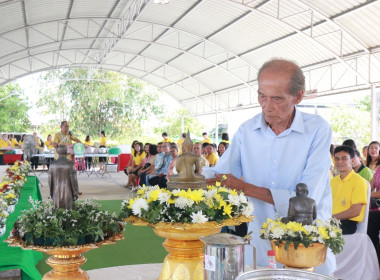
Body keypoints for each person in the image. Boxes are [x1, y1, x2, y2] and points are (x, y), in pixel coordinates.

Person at [204, 59, 335, 275]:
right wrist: (191, 180)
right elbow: (219, 174)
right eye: (261, 96)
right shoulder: (247, 131)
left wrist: (244, 188)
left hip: (305, 243)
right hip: (261, 242)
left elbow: (307, 198)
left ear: (298, 96)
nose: (267, 106)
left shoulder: (317, 130)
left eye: (277, 99)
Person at [331, 145, 368, 235]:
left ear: (352, 161)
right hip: (331, 220)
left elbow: (355, 211)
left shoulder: (359, 181)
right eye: (337, 159)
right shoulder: (333, 181)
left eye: (344, 158)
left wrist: (331, 218)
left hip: (347, 223)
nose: (339, 162)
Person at [52, 121, 82, 194]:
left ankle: (75, 190)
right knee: (60, 175)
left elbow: (77, 140)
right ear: (61, 127)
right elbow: (54, 144)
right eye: (65, 126)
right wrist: (62, 146)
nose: (67, 128)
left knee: (71, 174)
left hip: (69, 158)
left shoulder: (69, 134)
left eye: (68, 126)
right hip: (60, 158)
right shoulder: (57, 135)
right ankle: (59, 191)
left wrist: (79, 143)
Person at [48, 145, 79, 210]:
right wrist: (75, 192)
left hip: (56, 192)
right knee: (69, 213)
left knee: (57, 213)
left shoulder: (52, 164)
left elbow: (50, 181)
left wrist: (51, 192)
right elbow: (74, 180)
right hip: (68, 192)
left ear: (57, 152)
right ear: (66, 152)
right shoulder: (70, 164)